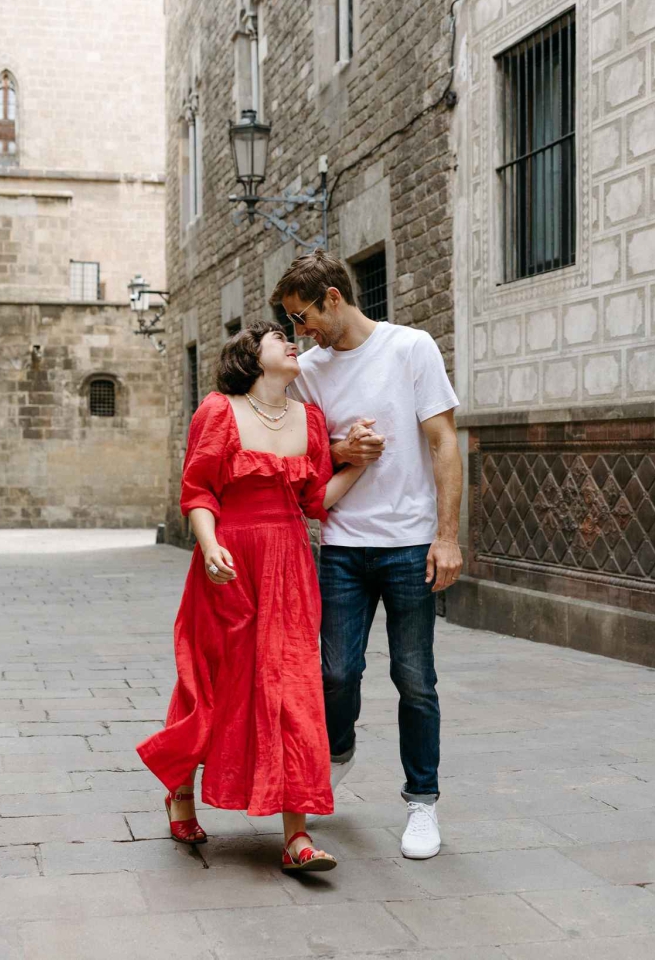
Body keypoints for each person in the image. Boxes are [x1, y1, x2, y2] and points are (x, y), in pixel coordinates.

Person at [138, 321, 370, 873]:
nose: (292, 343)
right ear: (251, 355)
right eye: (277, 338)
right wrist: (209, 546)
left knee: (294, 686)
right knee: (214, 680)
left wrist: (359, 463)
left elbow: (315, 499)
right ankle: (180, 794)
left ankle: (296, 836)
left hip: (290, 564)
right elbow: (198, 490)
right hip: (229, 561)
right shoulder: (218, 411)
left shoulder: (309, 419)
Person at [270, 250, 463, 861]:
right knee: (334, 672)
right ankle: (339, 749)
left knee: (415, 678)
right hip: (342, 546)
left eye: (302, 316)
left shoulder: (411, 348)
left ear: (333, 298)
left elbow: (444, 441)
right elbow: (299, 450)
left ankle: (422, 802)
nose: (300, 331)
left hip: (410, 543)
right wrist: (341, 449)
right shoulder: (309, 371)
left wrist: (447, 536)